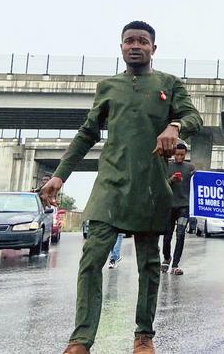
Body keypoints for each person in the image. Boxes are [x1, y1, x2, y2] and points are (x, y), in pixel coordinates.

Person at [41, 20, 203, 354]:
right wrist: (60, 175)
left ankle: (144, 336)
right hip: (110, 185)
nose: (135, 45)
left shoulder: (168, 84)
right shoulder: (108, 87)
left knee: (149, 264)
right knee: (91, 260)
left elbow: (194, 117)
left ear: (153, 49)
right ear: (121, 47)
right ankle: (81, 339)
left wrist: (174, 124)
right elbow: (87, 132)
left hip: (151, 187)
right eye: (129, 40)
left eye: (143, 41)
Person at [162, 142, 195, 276]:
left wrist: (197, 176)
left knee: (180, 235)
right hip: (169, 207)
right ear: (173, 154)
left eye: (182, 155)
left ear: (185, 154)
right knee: (167, 236)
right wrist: (172, 180)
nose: (179, 157)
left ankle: (175, 264)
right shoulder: (167, 166)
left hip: (184, 207)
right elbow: (162, 184)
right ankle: (166, 257)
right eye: (177, 154)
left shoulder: (190, 168)